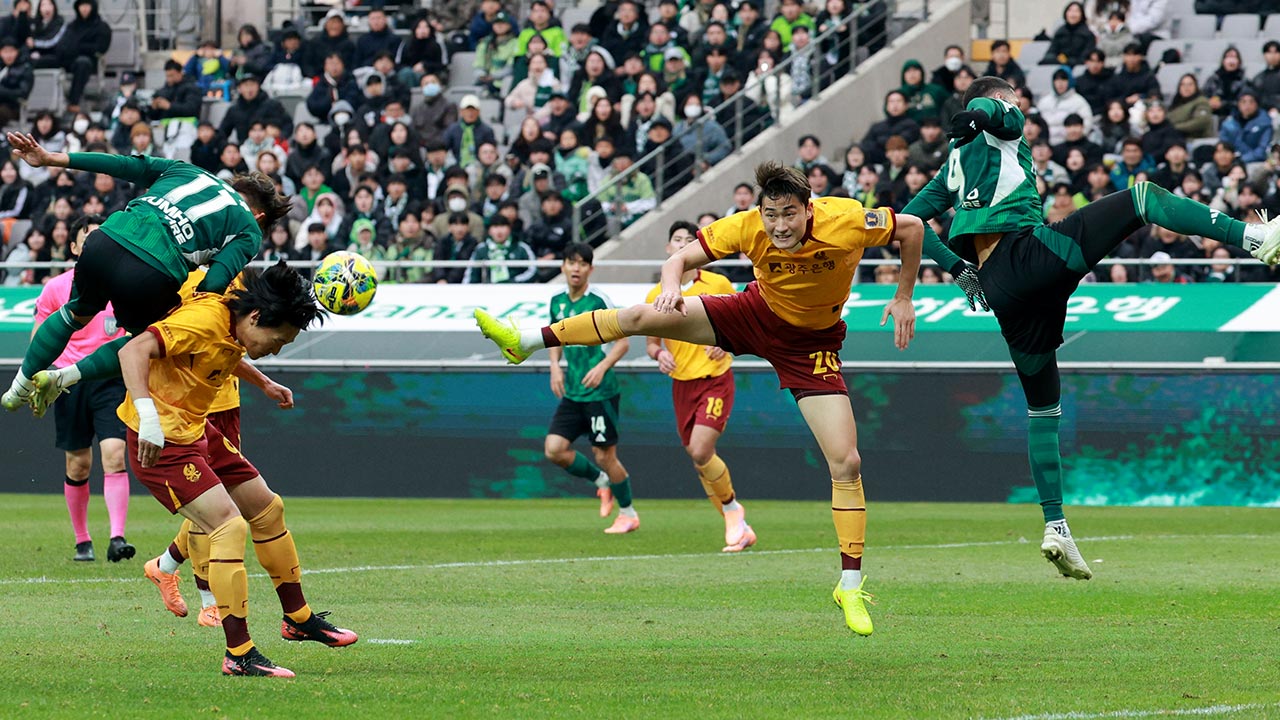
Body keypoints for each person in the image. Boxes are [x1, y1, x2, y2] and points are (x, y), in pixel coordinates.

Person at [476, 162, 925, 636]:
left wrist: (904, 294)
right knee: (637, 314)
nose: (779, 226)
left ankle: (849, 586)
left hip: (811, 344)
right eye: (770, 214)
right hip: (753, 313)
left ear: (808, 207)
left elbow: (912, 228)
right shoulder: (747, 226)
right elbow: (678, 261)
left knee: (846, 462)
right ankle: (522, 340)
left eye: (789, 214)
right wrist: (670, 287)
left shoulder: (848, 220)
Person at [902, 76, 1280, 582]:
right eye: (1016, 100)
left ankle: (1056, 526)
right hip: (1031, 257)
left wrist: (958, 269)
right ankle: (1253, 238)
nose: (1021, 111)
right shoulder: (1001, 123)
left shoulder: (950, 170)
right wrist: (979, 111)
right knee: (1142, 197)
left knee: (1043, 408)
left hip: (1002, 292)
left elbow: (906, 222)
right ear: (1004, 98)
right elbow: (995, 115)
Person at [117, 262, 355, 676]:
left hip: (195, 428)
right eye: (277, 340)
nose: (276, 349)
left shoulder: (236, 322)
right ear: (258, 318)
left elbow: (222, 355)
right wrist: (148, 418)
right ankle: (239, 653)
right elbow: (132, 350)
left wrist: (263, 382)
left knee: (267, 508)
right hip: (161, 442)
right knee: (229, 526)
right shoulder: (203, 318)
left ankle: (298, 620)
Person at [1, 134, 293, 416]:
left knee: (75, 312)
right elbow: (213, 284)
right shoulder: (248, 229)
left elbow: (122, 165)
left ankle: (19, 386)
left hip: (106, 239)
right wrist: (189, 314)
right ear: (261, 218)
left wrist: (50, 158)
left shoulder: (187, 170)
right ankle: (65, 377)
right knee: (148, 339)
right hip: (152, 271)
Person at [644, 221, 755, 552]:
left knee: (701, 449)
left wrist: (728, 342)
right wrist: (659, 354)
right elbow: (651, 344)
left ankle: (734, 513)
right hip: (682, 384)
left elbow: (745, 325)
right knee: (698, 458)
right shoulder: (656, 295)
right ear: (668, 248)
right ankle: (735, 523)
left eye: (688, 241)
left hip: (715, 378)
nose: (681, 246)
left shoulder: (718, 283)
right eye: (676, 240)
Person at [33, 215, 134, 563]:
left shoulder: (124, 287)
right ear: (74, 247)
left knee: (114, 455)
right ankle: (82, 540)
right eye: (87, 238)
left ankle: (117, 538)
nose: (95, 244)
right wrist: (35, 378)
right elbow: (40, 339)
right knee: (78, 465)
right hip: (66, 382)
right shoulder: (55, 289)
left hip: (109, 380)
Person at [532, 243, 639, 533]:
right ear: (563, 266)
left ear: (591, 269)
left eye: (582, 263)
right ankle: (601, 482)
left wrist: (602, 366)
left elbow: (624, 341)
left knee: (605, 456)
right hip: (574, 391)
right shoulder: (557, 302)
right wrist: (555, 366)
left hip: (600, 391)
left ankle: (628, 513)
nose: (576, 268)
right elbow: (554, 339)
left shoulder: (598, 300)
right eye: (571, 262)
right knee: (554, 449)